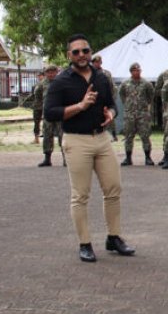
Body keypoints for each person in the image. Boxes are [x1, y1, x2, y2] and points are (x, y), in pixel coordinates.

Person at [43, 34, 135, 263]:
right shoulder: (61, 81)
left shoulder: (101, 77)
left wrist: (111, 114)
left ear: (90, 52)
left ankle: (113, 238)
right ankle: (85, 243)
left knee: (114, 188)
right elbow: (50, 113)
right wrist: (80, 106)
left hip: (101, 139)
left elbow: (112, 104)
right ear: (69, 56)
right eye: (76, 52)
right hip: (76, 141)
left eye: (85, 50)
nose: (82, 55)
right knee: (80, 195)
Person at [118, 62, 155, 166]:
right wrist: (127, 104)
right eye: (135, 70)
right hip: (130, 114)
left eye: (138, 70)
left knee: (145, 135)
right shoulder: (125, 83)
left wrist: (145, 105)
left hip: (142, 114)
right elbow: (122, 94)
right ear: (131, 72)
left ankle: (148, 157)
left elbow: (151, 95)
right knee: (128, 136)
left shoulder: (146, 83)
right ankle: (128, 158)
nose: (137, 72)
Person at [36, 65, 64, 167]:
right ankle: (47, 158)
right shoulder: (42, 84)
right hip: (48, 113)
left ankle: (66, 158)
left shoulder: (62, 82)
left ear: (57, 72)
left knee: (62, 135)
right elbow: (38, 96)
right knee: (47, 135)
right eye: (49, 72)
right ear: (45, 73)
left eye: (53, 72)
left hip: (60, 112)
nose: (51, 74)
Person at [91, 55, 120, 141]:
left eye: (99, 62)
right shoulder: (89, 73)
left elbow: (112, 87)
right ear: (92, 63)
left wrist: (111, 100)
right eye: (95, 62)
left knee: (109, 118)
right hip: (93, 100)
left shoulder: (106, 73)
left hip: (105, 99)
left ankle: (113, 134)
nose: (97, 64)